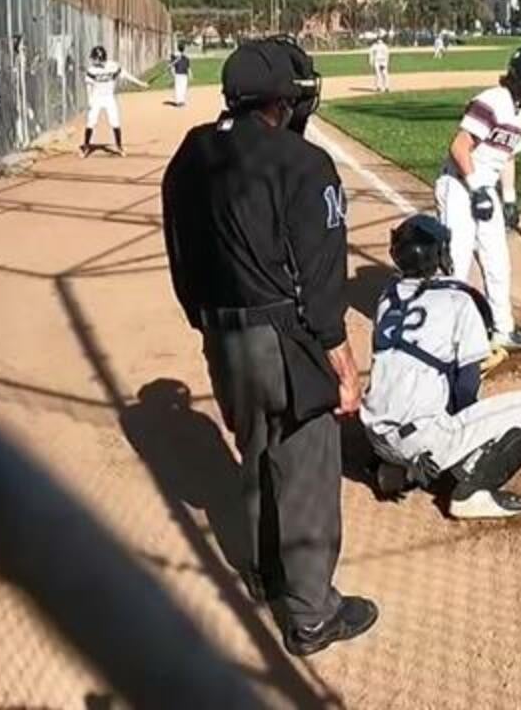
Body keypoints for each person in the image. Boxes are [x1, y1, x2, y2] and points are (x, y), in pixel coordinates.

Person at [159, 36, 377, 657]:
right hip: (284, 336)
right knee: (305, 466)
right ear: (282, 101)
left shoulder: (192, 152)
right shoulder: (304, 163)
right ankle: (312, 616)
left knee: (255, 450)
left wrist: (206, 324)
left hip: (220, 334)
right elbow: (321, 277)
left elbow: (179, 254)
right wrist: (341, 362)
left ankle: (265, 574)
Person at [361, 214, 521, 519]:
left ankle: (397, 470)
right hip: (420, 441)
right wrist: (466, 436)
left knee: (410, 380)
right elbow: (466, 387)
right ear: (437, 255)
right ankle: (471, 494)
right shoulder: (459, 301)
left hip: (374, 437)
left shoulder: (386, 298)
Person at [437, 46, 521, 356]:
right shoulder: (491, 102)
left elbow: (507, 158)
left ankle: (502, 330)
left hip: (484, 189)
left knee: (497, 260)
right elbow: (459, 147)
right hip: (459, 186)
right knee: (457, 259)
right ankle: (446, 337)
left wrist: (510, 199)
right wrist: (476, 189)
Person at [81, 45, 141, 157]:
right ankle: (86, 146)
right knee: (91, 122)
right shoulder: (92, 70)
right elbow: (89, 87)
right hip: (97, 98)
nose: (92, 60)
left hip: (109, 98)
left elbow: (126, 75)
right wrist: (90, 101)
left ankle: (119, 146)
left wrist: (140, 83)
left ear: (99, 58)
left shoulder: (113, 66)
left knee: (115, 121)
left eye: (94, 58)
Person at [169, 43, 193, 108]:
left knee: (183, 88)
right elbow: (172, 66)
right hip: (179, 74)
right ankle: (178, 102)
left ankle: (181, 101)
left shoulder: (185, 57)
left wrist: (190, 74)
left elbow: (188, 67)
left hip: (183, 74)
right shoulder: (175, 56)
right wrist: (173, 73)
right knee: (179, 88)